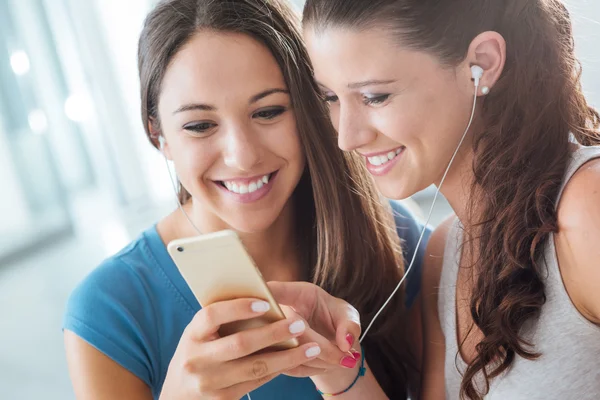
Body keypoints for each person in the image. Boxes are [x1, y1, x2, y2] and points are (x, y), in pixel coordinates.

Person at [63, 0, 431, 399]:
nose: (242, 156)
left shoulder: (395, 238)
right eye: (200, 125)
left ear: (309, 108)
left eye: (269, 111)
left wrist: (344, 373)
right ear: (158, 135)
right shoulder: (110, 310)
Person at [302, 0, 600, 399]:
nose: (347, 137)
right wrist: (335, 367)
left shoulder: (586, 208)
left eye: (374, 97)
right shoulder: (446, 250)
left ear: (482, 63)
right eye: (330, 98)